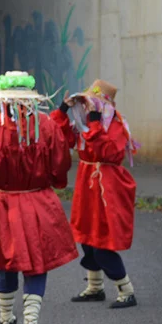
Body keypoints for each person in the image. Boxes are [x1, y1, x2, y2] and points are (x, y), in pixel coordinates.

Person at [0, 71, 76, 324]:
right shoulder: (47, 125)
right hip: (40, 200)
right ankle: (31, 319)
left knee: (6, 256)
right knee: (37, 258)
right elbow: (60, 165)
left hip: (7, 203)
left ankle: (6, 316)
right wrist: (54, 181)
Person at [50, 79, 139, 308]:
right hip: (87, 184)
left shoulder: (115, 124)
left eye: (91, 103)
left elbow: (105, 151)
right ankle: (95, 287)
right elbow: (61, 137)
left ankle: (126, 291)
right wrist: (63, 110)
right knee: (86, 238)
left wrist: (95, 123)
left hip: (108, 186)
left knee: (102, 242)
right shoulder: (86, 124)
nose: (86, 107)